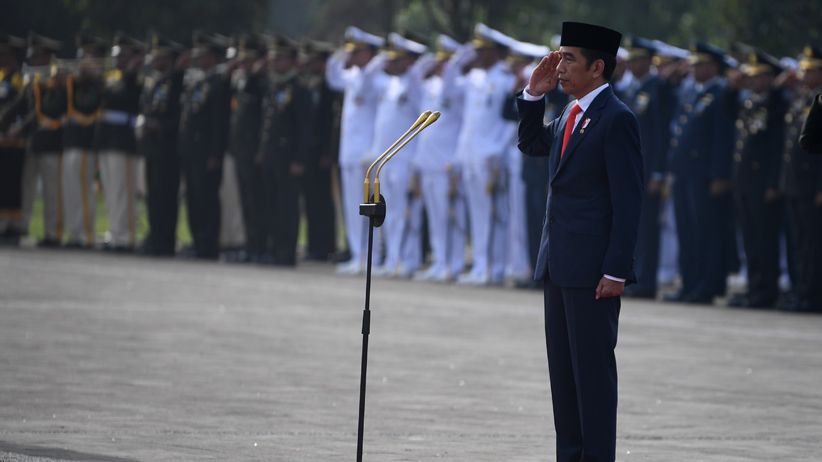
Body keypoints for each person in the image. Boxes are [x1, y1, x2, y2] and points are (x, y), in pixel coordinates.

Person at [517, 21, 643, 462]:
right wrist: (534, 94)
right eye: (559, 55)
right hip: (559, 264)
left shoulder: (616, 119)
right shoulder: (570, 113)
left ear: (598, 66)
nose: (560, 65)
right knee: (564, 381)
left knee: (592, 379)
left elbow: (628, 203)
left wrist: (616, 269)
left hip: (593, 272)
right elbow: (532, 143)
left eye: (569, 58)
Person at [664, 42, 736, 304]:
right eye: (693, 65)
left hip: (706, 174)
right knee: (687, 230)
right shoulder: (692, 92)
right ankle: (690, 282)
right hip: (685, 173)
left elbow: (722, 139)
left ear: (713, 67)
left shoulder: (720, 93)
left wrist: (720, 175)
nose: (694, 70)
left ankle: (707, 285)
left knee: (706, 232)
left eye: (700, 65)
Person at [360, 32, 431, 278]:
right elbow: (366, 79)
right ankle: (391, 258)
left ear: (407, 62)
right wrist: (383, 57)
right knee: (384, 212)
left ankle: (404, 260)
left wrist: (411, 52)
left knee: (403, 212)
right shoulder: (388, 84)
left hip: (404, 159)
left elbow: (420, 68)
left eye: (395, 60)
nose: (388, 63)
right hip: (385, 159)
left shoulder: (414, 84)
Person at [455, 23, 516, 286]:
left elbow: (512, 121)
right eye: (477, 50)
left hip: (490, 155)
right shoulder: (474, 78)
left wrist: (499, 150)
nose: (478, 55)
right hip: (470, 153)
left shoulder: (507, 80)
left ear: (496, 52)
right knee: (477, 212)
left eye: (484, 50)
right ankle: (481, 264)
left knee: (494, 213)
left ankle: (494, 267)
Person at [727, 49, 788, 309]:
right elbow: (728, 109)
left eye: (761, 77)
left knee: (765, 240)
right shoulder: (750, 102)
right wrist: (733, 87)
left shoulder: (777, 104)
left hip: (764, 183)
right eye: (752, 77)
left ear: (771, 78)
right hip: (744, 182)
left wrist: (774, 183)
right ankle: (754, 288)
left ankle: (767, 290)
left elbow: (777, 148)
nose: (755, 82)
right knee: (750, 239)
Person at [325, 27, 384, 275]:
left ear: (369, 53)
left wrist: (373, 58)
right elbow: (331, 76)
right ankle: (357, 254)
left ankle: (373, 257)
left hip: (366, 156)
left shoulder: (376, 79)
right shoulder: (352, 76)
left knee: (371, 209)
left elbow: (369, 82)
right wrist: (342, 54)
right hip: (348, 153)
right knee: (352, 207)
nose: (353, 57)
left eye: (358, 52)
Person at [413, 35, 471, 282]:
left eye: (445, 62)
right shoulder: (430, 87)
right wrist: (430, 61)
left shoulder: (458, 86)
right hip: (428, 160)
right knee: (436, 216)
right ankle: (439, 260)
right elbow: (416, 75)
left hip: (447, 162)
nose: (440, 66)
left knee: (452, 217)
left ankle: (454, 263)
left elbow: (450, 82)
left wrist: (457, 59)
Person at [620, 37, 670, 299]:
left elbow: (661, 133)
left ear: (650, 61)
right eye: (632, 59)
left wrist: (659, 172)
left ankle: (646, 281)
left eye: (638, 59)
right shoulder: (631, 89)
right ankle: (633, 276)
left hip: (648, 169)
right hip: (630, 168)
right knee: (632, 227)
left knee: (648, 228)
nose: (632, 64)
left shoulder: (656, 87)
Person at [178, 32, 231, 260]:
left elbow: (219, 123)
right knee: (193, 198)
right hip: (192, 151)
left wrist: (215, 154)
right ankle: (197, 240)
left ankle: (208, 244)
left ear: (215, 57)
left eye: (204, 55)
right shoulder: (197, 82)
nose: (199, 59)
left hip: (207, 151)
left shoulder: (219, 84)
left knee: (207, 199)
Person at [258, 35, 309, 266]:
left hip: (289, 158)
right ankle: (272, 247)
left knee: (287, 207)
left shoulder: (299, 89)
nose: (274, 62)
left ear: (290, 61)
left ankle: (286, 251)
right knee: (269, 204)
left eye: (279, 58)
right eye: (273, 57)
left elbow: (304, 128)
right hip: (271, 156)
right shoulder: (273, 85)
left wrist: (299, 158)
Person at [779, 44, 822, 312]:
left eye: (811, 71)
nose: (804, 76)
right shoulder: (804, 99)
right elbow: (798, 144)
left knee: (812, 245)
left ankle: (811, 294)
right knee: (798, 242)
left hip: (812, 185)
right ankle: (801, 290)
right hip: (796, 183)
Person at [95, 33, 145, 252]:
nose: (119, 60)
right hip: (108, 141)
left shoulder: (136, 79)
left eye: (124, 56)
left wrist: (134, 68)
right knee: (112, 192)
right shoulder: (112, 78)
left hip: (123, 143)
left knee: (124, 192)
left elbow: (131, 99)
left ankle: (127, 236)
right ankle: (116, 232)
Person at [138, 34, 184, 257]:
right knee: (153, 196)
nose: (155, 61)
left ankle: (166, 240)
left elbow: (180, 117)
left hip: (168, 149)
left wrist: (161, 126)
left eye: (161, 57)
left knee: (167, 196)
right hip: (152, 147)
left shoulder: (177, 81)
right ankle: (155, 235)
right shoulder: (155, 82)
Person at [18, 33, 66, 248]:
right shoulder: (34, 81)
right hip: (33, 141)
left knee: (51, 190)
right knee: (27, 187)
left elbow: (51, 110)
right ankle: (22, 226)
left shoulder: (59, 82)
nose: (34, 61)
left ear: (47, 58)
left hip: (51, 142)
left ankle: (52, 232)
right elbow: (22, 107)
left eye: (38, 57)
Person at [227, 33, 269, 263]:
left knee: (257, 201)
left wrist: (254, 74)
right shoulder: (242, 80)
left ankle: (259, 245)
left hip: (255, 151)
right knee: (245, 199)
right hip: (241, 149)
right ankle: (250, 244)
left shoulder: (262, 83)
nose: (243, 64)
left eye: (248, 59)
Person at [62, 34, 106, 249]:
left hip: (86, 143)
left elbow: (88, 105)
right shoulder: (77, 83)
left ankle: (86, 234)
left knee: (83, 192)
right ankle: (74, 233)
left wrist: (93, 78)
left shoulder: (99, 82)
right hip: (70, 142)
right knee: (71, 192)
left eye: (89, 56)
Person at [300, 40, 340, 262]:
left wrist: (328, 152)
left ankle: (326, 244)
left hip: (322, 151)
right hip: (309, 151)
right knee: (311, 200)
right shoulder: (310, 84)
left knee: (324, 202)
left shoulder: (329, 87)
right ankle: (314, 244)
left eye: (314, 61)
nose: (309, 64)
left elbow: (329, 123)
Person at [0, 34, 27, 246]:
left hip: (12, 138)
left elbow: (17, 105)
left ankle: (11, 225)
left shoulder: (18, 77)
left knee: (11, 183)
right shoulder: (1, 76)